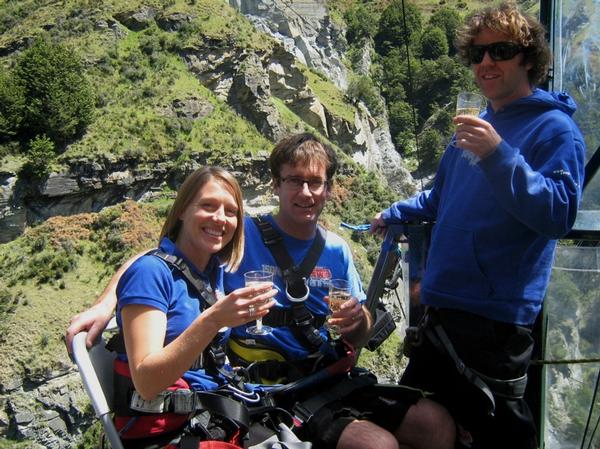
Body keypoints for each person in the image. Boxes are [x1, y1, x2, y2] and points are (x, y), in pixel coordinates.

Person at [67, 133, 456, 449]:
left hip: (324, 374)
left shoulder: (337, 250)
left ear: (328, 189)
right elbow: (166, 258)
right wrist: (107, 301)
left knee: (435, 424)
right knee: (378, 445)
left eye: (315, 182)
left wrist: (359, 320)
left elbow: (360, 333)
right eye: (294, 181)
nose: (305, 192)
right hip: (264, 389)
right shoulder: (241, 234)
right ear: (276, 184)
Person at [370, 3, 586, 449]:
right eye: (478, 54)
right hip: (441, 311)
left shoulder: (555, 130)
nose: (486, 63)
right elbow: (441, 197)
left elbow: (558, 214)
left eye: (501, 51)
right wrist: (396, 212)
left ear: (528, 58)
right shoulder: (479, 124)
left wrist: (498, 155)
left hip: (493, 322)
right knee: (414, 421)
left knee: (494, 436)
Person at [103, 166, 277, 445]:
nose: (220, 218)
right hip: (166, 434)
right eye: (208, 206)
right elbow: (146, 383)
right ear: (182, 209)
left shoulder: (213, 270)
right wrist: (213, 320)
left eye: (231, 211)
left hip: (215, 416)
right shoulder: (150, 273)